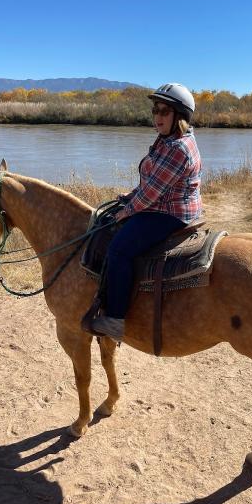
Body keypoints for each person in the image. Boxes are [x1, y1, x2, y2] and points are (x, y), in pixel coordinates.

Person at [82, 83, 202, 340]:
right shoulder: (168, 139)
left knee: (119, 249)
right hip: (163, 203)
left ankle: (115, 320)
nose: (157, 117)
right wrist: (129, 197)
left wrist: (128, 210)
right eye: (155, 110)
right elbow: (151, 184)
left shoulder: (178, 148)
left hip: (170, 212)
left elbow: (151, 194)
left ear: (179, 116)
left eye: (164, 111)